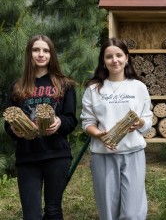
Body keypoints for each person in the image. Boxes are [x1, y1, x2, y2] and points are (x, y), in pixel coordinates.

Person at [4, 35, 78, 219]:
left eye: (46, 50)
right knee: (31, 215)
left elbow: (71, 120)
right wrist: (14, 129)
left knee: (53, 211)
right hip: (28, 156)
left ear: (52, 54)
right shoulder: (17, 86)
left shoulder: (64, 84)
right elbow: (8, 121)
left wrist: (60, 122)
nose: (41, 54)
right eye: (36, 50)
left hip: (56, 154)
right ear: (29, 54)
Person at [80, 37, 153, 220]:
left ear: (127, 57)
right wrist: (99, 135)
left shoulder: (138, 87)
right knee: (108, 210)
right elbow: (87, 122)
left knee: (132, 211)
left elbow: (147, 118)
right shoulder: (94, 89)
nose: (115, 60)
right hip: (103, 154)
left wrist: (140, 124)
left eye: (119, 55)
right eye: (109, 56)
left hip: (133, 151)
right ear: (103, 61)